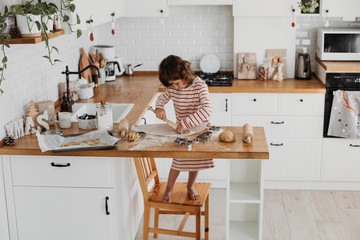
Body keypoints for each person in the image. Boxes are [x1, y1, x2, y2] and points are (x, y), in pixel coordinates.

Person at [155, 55, 214, 203]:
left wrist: (185, 122)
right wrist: (159, 107)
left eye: (176, 83)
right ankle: (169, 188)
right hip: (182, 130)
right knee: (178, 161)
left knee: (196, 161)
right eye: (171, 86)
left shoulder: (199, 86)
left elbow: (207, 110)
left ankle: (190, 186)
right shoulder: (173, 89)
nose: (174, 88)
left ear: (183, 74)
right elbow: (162, 98)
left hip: (199, 129)